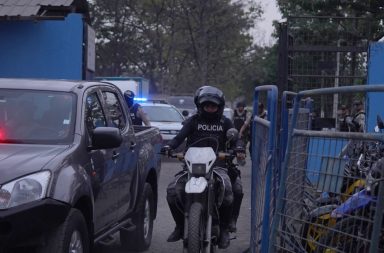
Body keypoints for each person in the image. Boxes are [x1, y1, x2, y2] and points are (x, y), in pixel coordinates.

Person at [161, 85, 245, 249]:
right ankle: (180, 226)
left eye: (213, 106)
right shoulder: (193, 121)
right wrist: (169, 147)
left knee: (228, 190)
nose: (210, 108)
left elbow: (237, 140)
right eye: (207, 105)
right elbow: (179, 138)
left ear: (219, 107)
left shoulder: (225, 122)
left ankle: (224, 229)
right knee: (172, 191)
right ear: (200, 106)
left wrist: (239, 149)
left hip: (218, 166)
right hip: (192, 167)